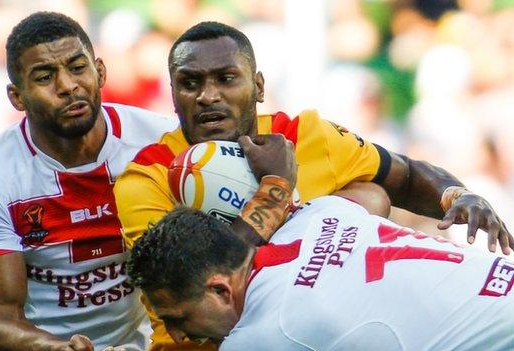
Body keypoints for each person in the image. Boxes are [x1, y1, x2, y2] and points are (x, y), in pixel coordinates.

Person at [113, 21, 512, 350]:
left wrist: (457, 195)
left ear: (259, 86)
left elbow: (402, 176)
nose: (208, 96)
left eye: (226, 78)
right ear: (173, 93)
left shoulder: (304, 135)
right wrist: (276, 187)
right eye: (190, 83)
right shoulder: (146, 178)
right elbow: (198, 279)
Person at [0, 12, 188, 351]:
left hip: (135, 342)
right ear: (17, 96)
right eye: (45, 76)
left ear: (100, 71)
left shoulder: (162, 142)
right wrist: (60, 348)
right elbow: (0, 320)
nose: (67, 86)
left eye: (77, 68)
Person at [128, 202, 514, 351]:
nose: (178, 336)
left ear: (219, 289)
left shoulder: (263, 336)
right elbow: (372, 192)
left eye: (178, 318)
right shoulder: (319, 212)